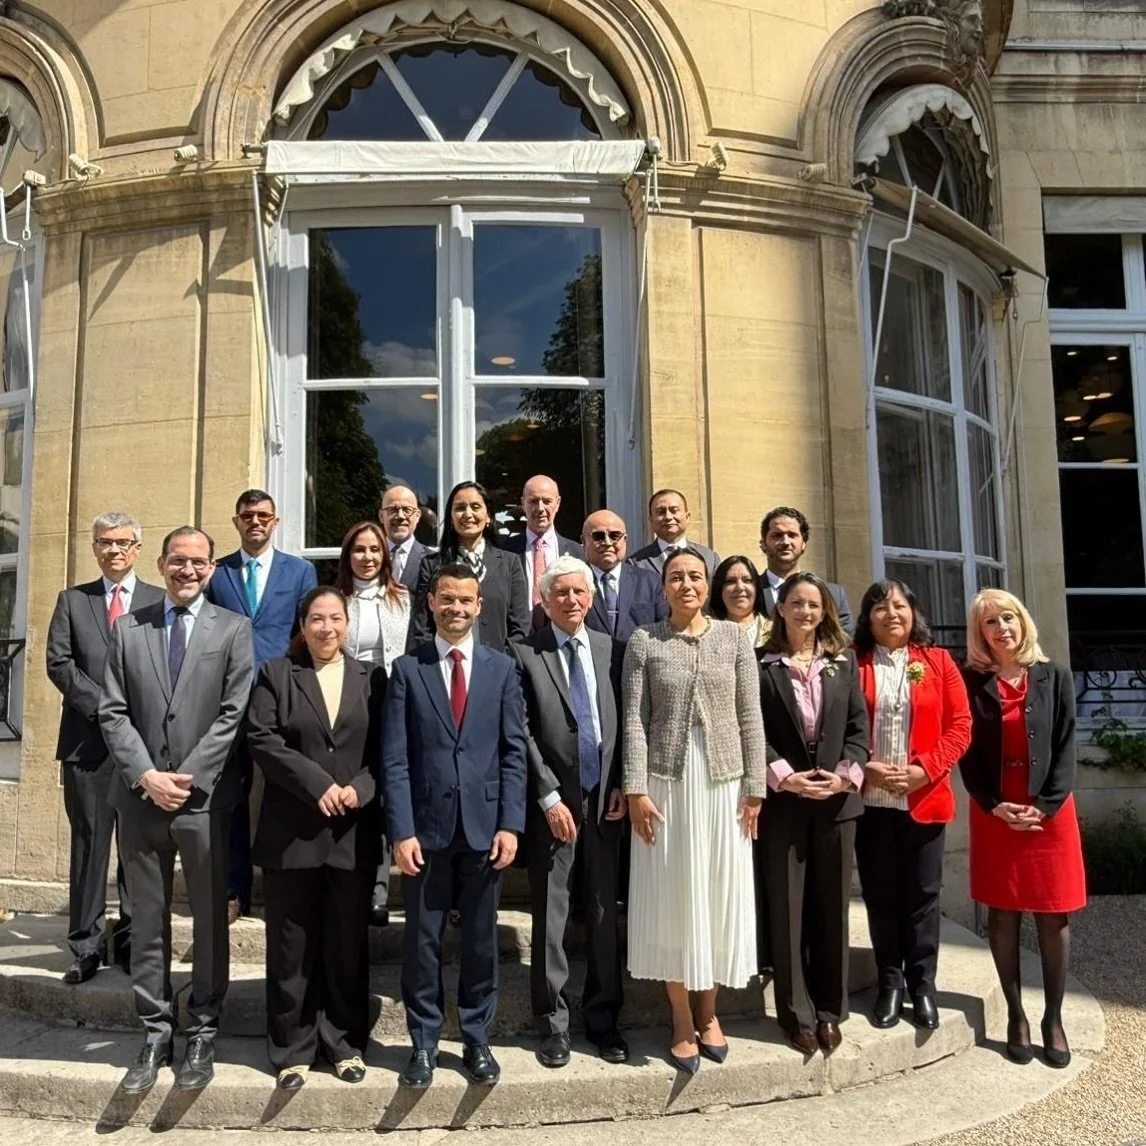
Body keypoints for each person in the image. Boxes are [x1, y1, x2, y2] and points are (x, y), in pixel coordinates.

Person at [99, 527, 254, 1094]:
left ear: (212, 569)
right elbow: (112, 712)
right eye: (178, 561)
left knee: (211, 919)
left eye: (198, 562)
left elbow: (234, 712)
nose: (187, 570)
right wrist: (146, 776)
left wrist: (185, 778)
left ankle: (204, 1027)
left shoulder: (233, 630)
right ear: (162, 564)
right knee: (147, 918)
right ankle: (155, 1029)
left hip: (204, 800)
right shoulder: (128, 629)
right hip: (140, 801)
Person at [383, 562, 528, 1089]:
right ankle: (422, 1044)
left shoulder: (501, 669)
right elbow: (395, 759)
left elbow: (514, 753)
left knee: (480, 945)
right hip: (425, 832)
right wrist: (401, 831)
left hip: (486, 831)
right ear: (432, 604)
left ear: (479, 606)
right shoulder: (407, 670)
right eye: (447, 599)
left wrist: (511, 823)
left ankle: (475, 1039)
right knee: (421, 943)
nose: (456, 609)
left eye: (466, 600)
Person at [623, 548, 765, 1074]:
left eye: (695, 577)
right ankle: (681, 1019)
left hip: (726, 788)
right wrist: (636, 789)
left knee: (716, 894)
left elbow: (750, 715)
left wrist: (756, 787)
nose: (686, 584)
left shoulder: (734, 639)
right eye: (676, 577)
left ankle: (711, 1015)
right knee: (675, 897)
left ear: (708, 586)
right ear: (663, 588)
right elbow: (635, 719)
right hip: (666, 786)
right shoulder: (645, 641)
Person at [246, 587, 386, 1090]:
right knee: (291, 946)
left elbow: (385, 753)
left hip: (351, 832)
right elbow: (261, 739)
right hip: (293, 833)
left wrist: (358, 789)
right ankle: (292, 1049)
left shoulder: (373, 679)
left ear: (348, 624)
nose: (327, 628)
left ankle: (345, 1045)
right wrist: (318, 785)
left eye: (336, 619)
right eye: (316, 620)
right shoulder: (275, 675)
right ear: (301, 625)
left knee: (346, 944)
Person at [959, 589, 1086, 1069]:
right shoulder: (972, 682)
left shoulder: (1054, 676)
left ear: (1022, 621)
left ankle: (1053, 1018)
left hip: (1049, 813)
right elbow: (965, 751)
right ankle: (1016, 1015)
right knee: (1002, 914)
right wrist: (994, 805)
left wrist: (1046, 805)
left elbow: (1067, 742)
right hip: (995, 812)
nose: (1001, 628)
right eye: (989, 623)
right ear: (980, 634)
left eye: (1007, 617)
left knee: (1054, 916)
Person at [511, 557, 628, 1069]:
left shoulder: (610, 650)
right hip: (553, 802)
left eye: (580, 592)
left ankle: (604, 1021)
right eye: (561, 593)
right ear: (545, 600)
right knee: (552, 914)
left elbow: (625, 721)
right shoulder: (524, 654)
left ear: (592, 597)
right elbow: (521, 732)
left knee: (604, 914)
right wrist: (549, 796)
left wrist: (623, 781)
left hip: (605, 800)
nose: (573, 601)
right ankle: (553, 1023)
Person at [46, 512, 165, 984]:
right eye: (104, 543)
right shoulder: (73, 601)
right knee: (89, 844)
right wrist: (106, 707)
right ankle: (85, 946)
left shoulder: (159, 600)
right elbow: (59, 662)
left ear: (137, 547)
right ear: (94, 549)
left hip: (142, 748)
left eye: (122, 542)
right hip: (87, 745)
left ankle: (133, 944)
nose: (114, 550)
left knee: (137, 849)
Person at [853, 580, 971, 1031]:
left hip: (924, 798)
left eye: (899, 605)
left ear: (913, 612)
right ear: (869, 618)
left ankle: (923, 986)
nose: (891, 614)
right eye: (880, 607)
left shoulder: (938, 662)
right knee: (881, 896)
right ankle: (890, 983)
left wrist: (925, 769)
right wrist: (865, 765)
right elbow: (840, 724)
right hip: (872, 800)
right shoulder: (854, 662)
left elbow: (960, 726)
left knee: (922, 897)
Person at [758, 572, 868, 1056]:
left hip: (837, 803)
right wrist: (784, 776)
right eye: (796, 603)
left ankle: (829, 1010)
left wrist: (846, 775)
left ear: (825, 612)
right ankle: (795, 1014)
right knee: (787, 911)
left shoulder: (843, 664)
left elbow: (859, 728)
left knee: (830, 910)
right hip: (784, 803)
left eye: (814, 605)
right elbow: (750, 728)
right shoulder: (761, 665)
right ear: (780, 609)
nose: (805, 612)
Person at [206, 489, 317, 922]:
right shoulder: (218, 574)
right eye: (248, 515)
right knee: (231, 793)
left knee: (286, 789)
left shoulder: (300, 571)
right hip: (227, 698)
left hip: (281, 694)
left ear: (276, 522)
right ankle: (235, 888)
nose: (256, 522)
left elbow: (304, 631)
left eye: (264, 516)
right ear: (236, 522)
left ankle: (285, 883)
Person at [335, 519, 411, 928]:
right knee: (352, 790)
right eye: (359, 550)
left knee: (383, 793)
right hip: (343, 701)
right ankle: (352, 884)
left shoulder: (403, 599)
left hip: (389, 699)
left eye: (374, 550)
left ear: (385, 555)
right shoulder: (335, 599)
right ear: (348, 556)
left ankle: (379, 893)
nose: (367, 557)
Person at [407, 480, 530, 653]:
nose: (468, 514)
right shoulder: (432, 565)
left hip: (499, 671)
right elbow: (421, 628)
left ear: (488, 516)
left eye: (475, 506)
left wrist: (502, 665)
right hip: (446, 669)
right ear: (450, 517)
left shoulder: (510, 564)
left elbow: (521, 627)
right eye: (460, 508)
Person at [757, 507, 855, 636]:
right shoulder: (747, 593)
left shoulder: (834, 595)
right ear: (763, 544)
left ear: (803, 543)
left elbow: (843, 640)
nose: (786, 542)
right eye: (777, 535)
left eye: (792, 535)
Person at [581, 509, 667, 645]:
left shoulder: (650, 582)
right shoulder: (574, 583)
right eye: (598, 536)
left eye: (615, 535)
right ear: (584, 541)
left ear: (625, 540)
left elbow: (664, 631)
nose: (607, 542)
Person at [503, 474, 585, 614]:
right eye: (533, 501)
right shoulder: (505, 551)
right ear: (523, 504)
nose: (540, 508)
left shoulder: (577, 553)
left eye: (547, 501)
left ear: (557, 503)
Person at [627, 490, 720, 578]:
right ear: (651, 520)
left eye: (674, 510)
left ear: (687, 517)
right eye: (661, 512)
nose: (668, 517)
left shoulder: (710, 559)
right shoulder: (636, 563)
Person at [379, 484, 435, 593]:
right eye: (393, 509)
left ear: (417, 516)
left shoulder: (433, 561)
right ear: (381, 516)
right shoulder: (370, 558)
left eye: (407, 510)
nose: (400, 516)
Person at [709, 554, 769, 649]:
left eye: (747, 580)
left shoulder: (775, 632)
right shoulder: (707, 632)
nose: (740, 587)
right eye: (731, 581)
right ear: (720, 589)